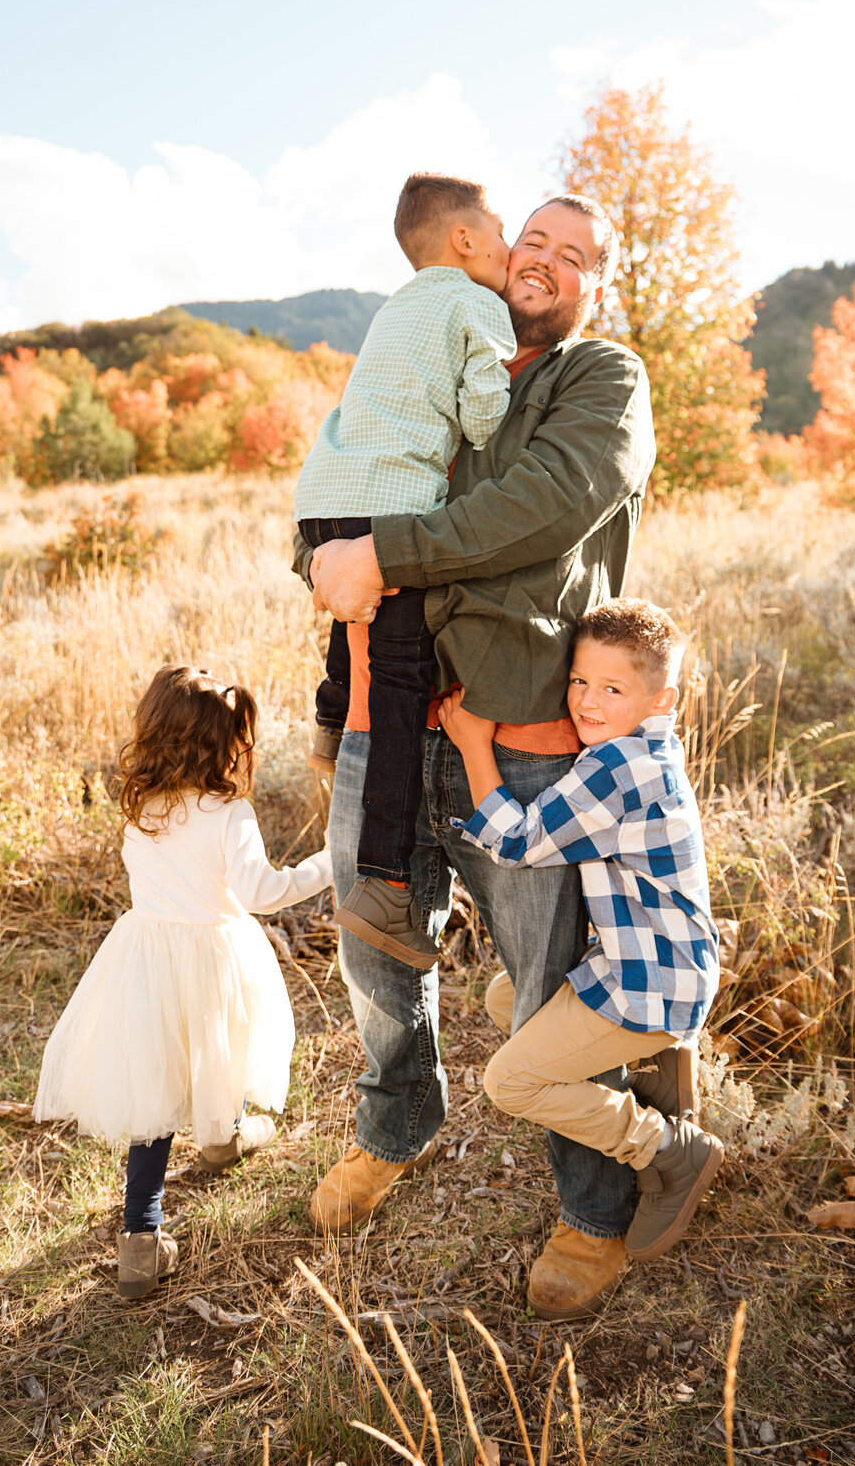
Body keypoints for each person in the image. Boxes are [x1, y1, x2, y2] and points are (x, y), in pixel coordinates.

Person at [300, 195, 660, 1321]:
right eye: (532, 241)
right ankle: (396, 1123)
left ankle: (596, 1209)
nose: (544, 260)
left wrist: (386, 552)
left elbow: (538, 508)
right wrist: (328, 555)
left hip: (526, 732)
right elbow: (343, 487)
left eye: (574, 253)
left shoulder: (602, 381)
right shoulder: (438, 345)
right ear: (496, 256)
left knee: (550, 973)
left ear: (595, 281)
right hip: (387, 711)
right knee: (374, 942)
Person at [437, 598, 722, 1270]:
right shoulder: (644, 748)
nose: (588, 703)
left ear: (662, 699)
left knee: (510, 1083)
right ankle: (658, 1072)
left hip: (650, 983)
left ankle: (666, 1148)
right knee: (510, 1001)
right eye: (579, 682)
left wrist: (474, 745)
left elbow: (516, 840)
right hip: (645, 964)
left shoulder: (619, 768)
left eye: (613, 689)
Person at [33, 665, 332, 1300]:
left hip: (146, 956)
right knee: (216, 1049)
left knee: (158, 1081)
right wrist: (329, 865)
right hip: (216, 954)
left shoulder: (141, 803)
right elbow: (260, 893)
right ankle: (219, 1143)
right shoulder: (228, 812)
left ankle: (143, 1232)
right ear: (217, 745)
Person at [295, 173, 516, 972]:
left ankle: (327, 721)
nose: (508, 244)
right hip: (387, 511)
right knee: (398, 681)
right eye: (500, 229)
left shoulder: (397, 305)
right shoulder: (476, 303)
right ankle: (386, 886)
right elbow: (486, 417)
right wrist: (496, 386)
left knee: (347, 622)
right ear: (465, 240)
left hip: (323, 502)